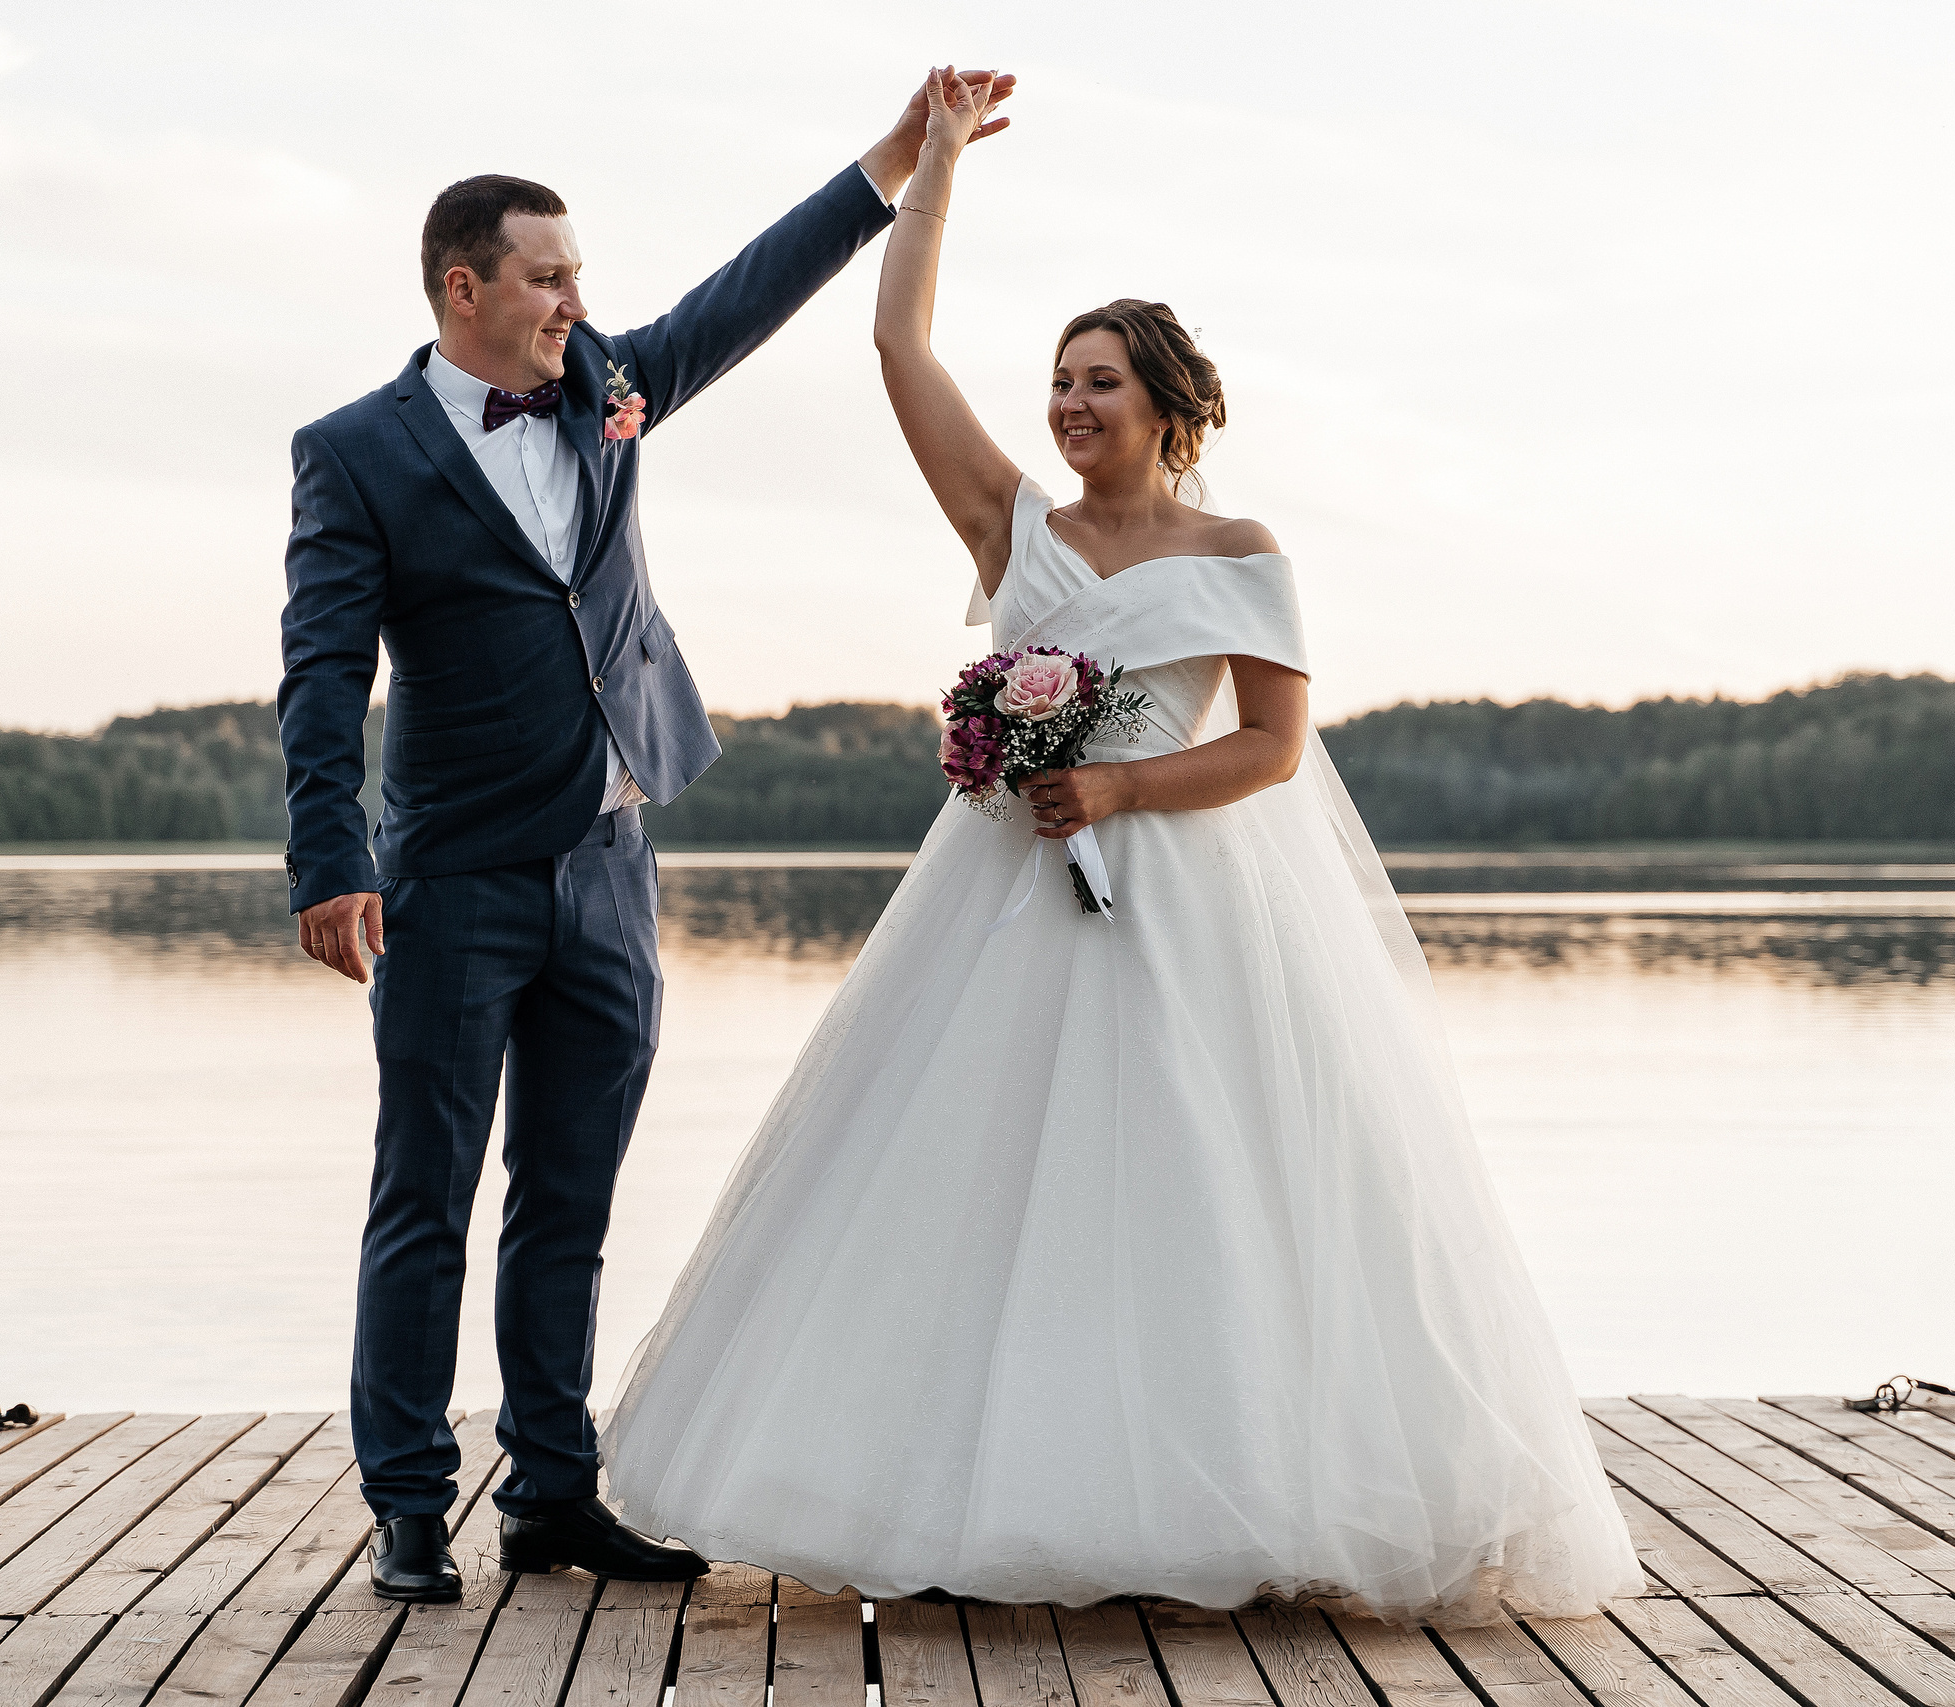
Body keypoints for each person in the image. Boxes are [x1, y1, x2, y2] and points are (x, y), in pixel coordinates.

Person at [597, 70, 1641, 1626]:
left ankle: (1242, 1492)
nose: (1071, 405)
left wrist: (1125, 792)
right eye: (1061, 382)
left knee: (1203, 1191)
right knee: (961, 1184)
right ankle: (967, 1493)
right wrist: (935, 165)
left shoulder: (1241, 556)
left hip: (1190, 899)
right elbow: (898, 346)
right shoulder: (1011, 528)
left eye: (1101, 383)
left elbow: (1274, 749)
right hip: (1000, 898)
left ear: (1167, 405)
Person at [275, 67, 1018, 1606]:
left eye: (579, 275)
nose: (573, 299)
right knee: (426, 1196)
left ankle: (551, 1489)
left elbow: (749, 294)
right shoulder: (355, 453)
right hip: (452, 876)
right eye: (547, 277)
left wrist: (901, 155)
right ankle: (409, 1502)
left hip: (611, 867)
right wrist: (329, 859)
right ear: (462, 287)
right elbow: (322, 672)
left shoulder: (610, 381)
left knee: (573, 1197)